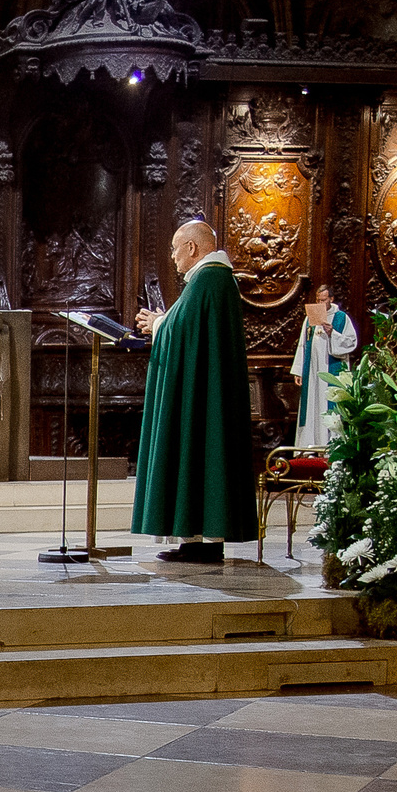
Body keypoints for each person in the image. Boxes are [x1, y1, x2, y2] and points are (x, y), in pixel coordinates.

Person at [129, 217, 255, 564]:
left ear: (191, 247)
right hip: (208, 389)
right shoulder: (212, 280)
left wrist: (158, 324)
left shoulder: (208, 280)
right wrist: (165, 322)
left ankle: (203, 541)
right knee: (201, 454)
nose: (172, 257)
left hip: (204, 396)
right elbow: (187, 326)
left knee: (200, 450)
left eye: (174, 249)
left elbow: (180, 328)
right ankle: (197, 539)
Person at [292, 283, 360, 449]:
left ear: (331, 299)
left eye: (324, 300)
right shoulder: (310, 318)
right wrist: (299, 371)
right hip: (313, 373)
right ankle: (309, 446)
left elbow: (352, 342)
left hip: (331, 371)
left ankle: (332, 445)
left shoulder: (341, 318)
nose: (320, 303)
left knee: (330, 404)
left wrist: (332, 334)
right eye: (318, 300)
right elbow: (302, 345)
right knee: (311, 406)